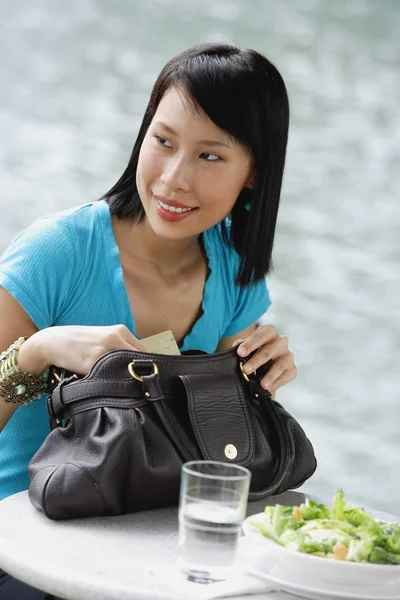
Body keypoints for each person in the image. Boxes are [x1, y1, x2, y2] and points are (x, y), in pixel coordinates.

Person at [0, 42, 297, 598]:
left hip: (148, 540)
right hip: (21, 543)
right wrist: (39, 351)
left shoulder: (234, 269)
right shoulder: (57, 252)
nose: (173, 178)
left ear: (254, 171)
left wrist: (259, 383)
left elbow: (222, 454)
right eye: (162, 142)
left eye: (210, 156)